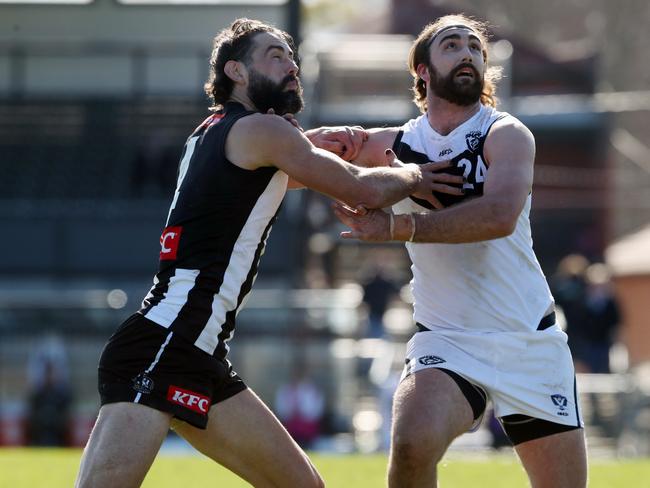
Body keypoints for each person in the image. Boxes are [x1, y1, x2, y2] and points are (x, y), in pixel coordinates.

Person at [74, 18, 456, 488]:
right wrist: (415, 175)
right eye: (275, 55)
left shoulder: (214, 133)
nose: (290, 64)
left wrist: (317, 144)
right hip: (164, 344)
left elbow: (277, 176)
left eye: (291, 55)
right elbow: (360, 189)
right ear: (235, 71)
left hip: (198, 353)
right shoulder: (263, 130)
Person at [331, 14, 587, 487]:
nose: (467, 53)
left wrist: (395, 226)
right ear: (422, 71)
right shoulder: (398, 144)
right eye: (452, 45)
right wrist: (303, 143)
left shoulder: (506, 133)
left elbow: (498, 217)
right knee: (411, 444)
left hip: (527, 339)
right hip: (447, 340)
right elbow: (303, 158)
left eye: (475, 48)